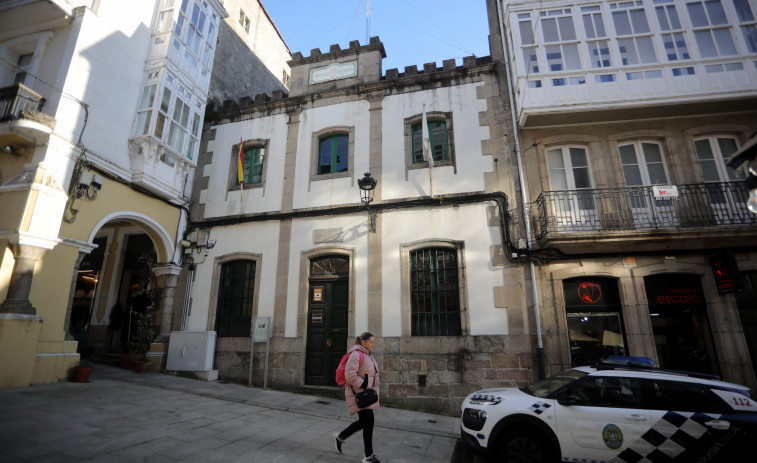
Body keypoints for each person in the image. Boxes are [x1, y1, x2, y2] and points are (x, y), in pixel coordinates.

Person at [332, 332, 381, 463]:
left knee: (365, 422)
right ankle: (369, 456)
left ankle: (340, 437)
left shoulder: (368, 355)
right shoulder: (356, 354)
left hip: (367, 394)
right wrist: (364, 384)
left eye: (373, 342)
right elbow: (350, 375)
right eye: (371, 341)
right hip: (360, 394)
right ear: (363, 342)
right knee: (368, 422)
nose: (373, 344)